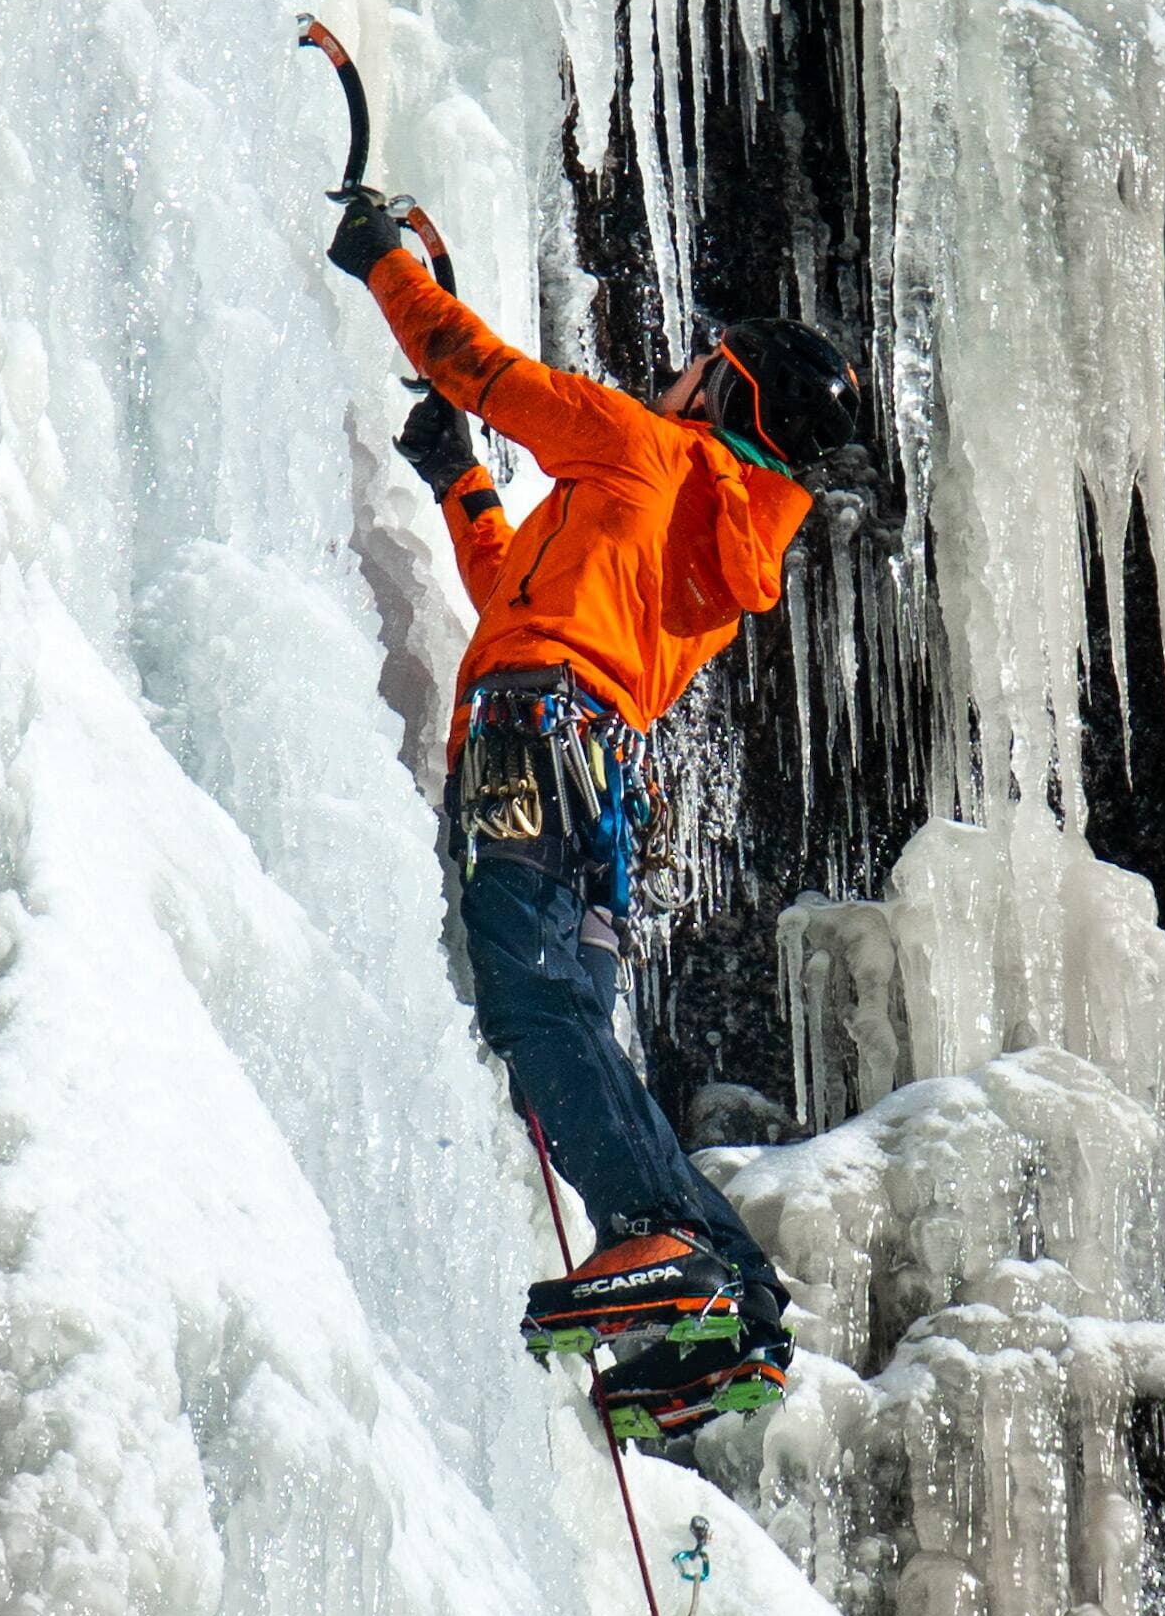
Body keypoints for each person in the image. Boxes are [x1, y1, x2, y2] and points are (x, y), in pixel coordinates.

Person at [329, 182, 864, 1447]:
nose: (671, 381)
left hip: (528, 738)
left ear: (723, 394)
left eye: (693, 371)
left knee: (533, 1009)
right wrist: (462, 483)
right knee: (571, 1021)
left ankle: (674, 1241)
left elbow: (478, 365)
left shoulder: (635, 445)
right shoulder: (723, 556)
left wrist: (385, 271)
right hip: (598, 780)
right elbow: (521, 584)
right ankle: (733, 1302)